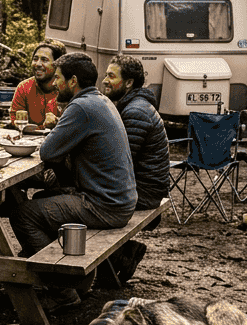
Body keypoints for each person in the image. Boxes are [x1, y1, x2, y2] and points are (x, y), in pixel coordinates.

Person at [10, 53, 137, 309]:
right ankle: (64, 274)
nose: (55, 83)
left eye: (58, 78)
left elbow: (47, 152)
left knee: (24, 214)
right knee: (42, 200)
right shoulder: (98, 100)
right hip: (119, 198)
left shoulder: (80, 107)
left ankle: (61, 290)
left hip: (104, 204)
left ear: (73, 81)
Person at [102, 55, 170, 213]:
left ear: (129, 83)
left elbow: (122, 161)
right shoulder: (134, 105)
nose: (105, 80)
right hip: (140, 188)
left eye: (111, 76)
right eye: (106, 75)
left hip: (143, 194)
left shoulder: (135, 112)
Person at [10, 40, 65, 128]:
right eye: (35, 59)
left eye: (44, 60)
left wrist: (56, 122)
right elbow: (15, 121)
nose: (38, 64)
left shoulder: (65, 89)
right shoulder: (24, 87)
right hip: (27, 140)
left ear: (57, 64)